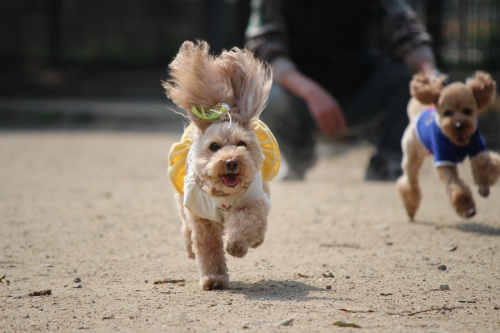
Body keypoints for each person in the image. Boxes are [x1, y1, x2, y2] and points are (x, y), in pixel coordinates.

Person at [244, 0, 437, 180]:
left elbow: (408, 31)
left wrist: (431, 76)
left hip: (363, 90)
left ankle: (388, 160)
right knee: (266, 91)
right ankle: (296, 158)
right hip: (303, 99)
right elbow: (264, 50)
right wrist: (311, 92)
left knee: (412, 76)